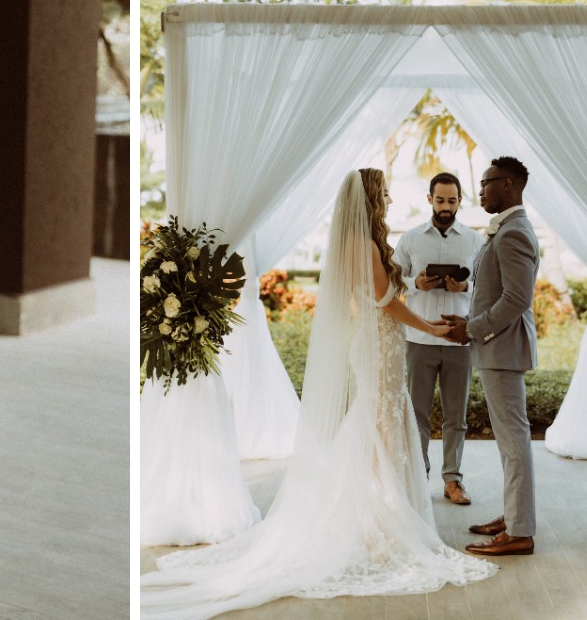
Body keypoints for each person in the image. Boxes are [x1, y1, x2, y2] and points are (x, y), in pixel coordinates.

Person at [141, 170, 497, 618]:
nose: (387, 198)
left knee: (380, 424)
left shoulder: (360, 243)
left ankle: (380, 516)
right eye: (383, 193)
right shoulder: (364, 245)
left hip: (378, 342)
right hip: (378, 342)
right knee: (382, 424)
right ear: (368, 198)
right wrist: (429, 326)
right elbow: (385, 302)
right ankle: (380, 525)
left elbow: (375, 298)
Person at [442, 155, 539, 558]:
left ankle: (519, 533)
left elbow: (516, 298)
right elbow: (492, 291)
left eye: (485, 183)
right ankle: (514, 516)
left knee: (513, 441)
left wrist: (473, 328)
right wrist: (467, 321)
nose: (479, 190)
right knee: (508, 441)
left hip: (502, 349)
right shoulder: (506, 228)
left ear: (509, 184)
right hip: (495, 345)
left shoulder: (514, 231)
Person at [395, 171, 483, 506]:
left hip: (459, 339)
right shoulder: (411, 239)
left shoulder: (475, 241)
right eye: (440, 199)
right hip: (419, 338)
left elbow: (486, 286)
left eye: (452, 200)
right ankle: (418, 479)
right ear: (429, 199)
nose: (445, 206)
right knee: (416, 414)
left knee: (455, 416)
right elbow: (391, 280)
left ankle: (453, 481)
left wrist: (466, 287)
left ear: (460, 201)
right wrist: (416, 282)